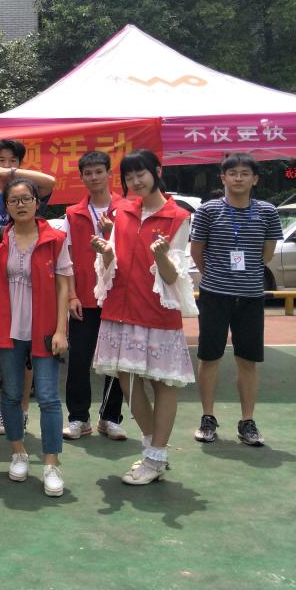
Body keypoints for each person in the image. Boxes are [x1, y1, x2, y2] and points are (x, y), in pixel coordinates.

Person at [91, 150, 196, 485]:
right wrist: (105, 252)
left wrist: (161, 256)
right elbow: (112, 260)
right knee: (127, 380)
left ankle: (155, 455)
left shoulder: (178, 217)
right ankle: (153, 449)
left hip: (157, 313)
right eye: (129, 177)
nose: (135, 181)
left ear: (157, 172)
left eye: (141, 174)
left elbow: (173, 277)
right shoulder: (121, 210)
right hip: (120, 311)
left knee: (163, 383)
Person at [0, 178, 72, 497]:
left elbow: (63, 286)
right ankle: (18, 452)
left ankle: (51, 463)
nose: (20, 205)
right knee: (10, 394)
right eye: (13, 200)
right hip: (7, 328)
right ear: (6, 206)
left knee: (48, 397)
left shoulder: (55, 239)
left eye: (26, 199)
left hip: (44, 329)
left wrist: (61, 329)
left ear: (37, 202)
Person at [190, 153, 282, 446]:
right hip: (214, 295)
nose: (238, 178)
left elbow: (267, 254)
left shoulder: (267, 211)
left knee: (248, 360)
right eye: (233, 173)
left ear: (255, 179)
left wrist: (243, 275)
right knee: (209, 357)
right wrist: (215, 276)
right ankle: (207, 417)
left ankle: (247, 421)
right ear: (223, 178)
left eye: (245, 173)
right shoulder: (208, 210)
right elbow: (196, 251)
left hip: (251, 296)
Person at [0, 138, 55, 435]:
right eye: (1, 160)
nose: (5, 165)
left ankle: (23, 409)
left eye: (12, 160)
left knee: (27, 348)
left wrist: (13, 175)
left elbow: (51, 182)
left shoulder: (29, 193)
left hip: (30, 283)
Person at [62, 151, 128, 442]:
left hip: (117, 297)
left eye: (99, 171)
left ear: (109, 174)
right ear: (81, 177)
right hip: (84, 299)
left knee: (116, 361)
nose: (94, 177)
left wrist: (113, 233)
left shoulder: (126, 209)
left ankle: (110, 418)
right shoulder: (72, 213)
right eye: (88, 173)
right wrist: (71, 295)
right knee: (79, 359)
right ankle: (78, 418)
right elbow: (66, 258)